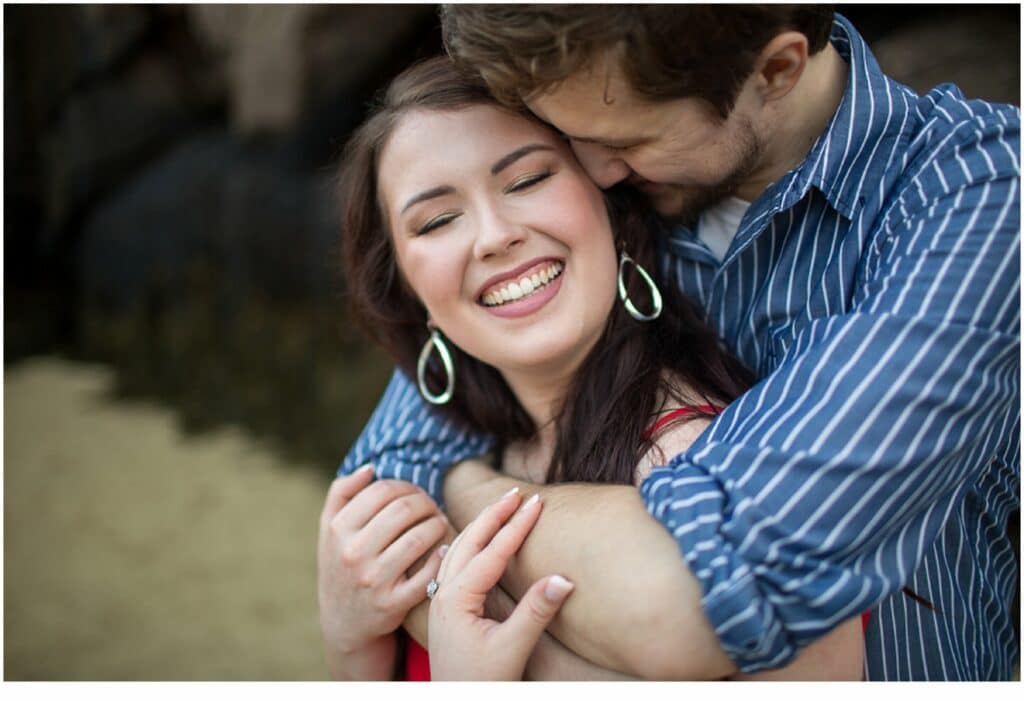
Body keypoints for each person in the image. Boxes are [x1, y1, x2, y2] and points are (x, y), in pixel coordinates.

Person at [336, 6, 1020, 680]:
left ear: (776, 69)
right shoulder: (601, 125)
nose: (598, 172)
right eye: (566, 142)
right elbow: (385, 486)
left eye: (627, 140)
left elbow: (721, 590)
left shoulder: (976, 201)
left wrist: (469, 501)